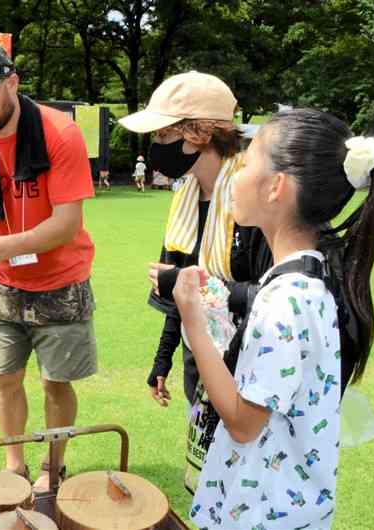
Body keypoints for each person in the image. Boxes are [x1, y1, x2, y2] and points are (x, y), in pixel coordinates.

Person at [174, 109, 374, 529]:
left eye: (247, 162)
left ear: (276, 186)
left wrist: (194, 323)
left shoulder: (287, 301)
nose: (235, 174)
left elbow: (243, 423)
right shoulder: (313, 277)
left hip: (260, 514)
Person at [0, 40, 98, 492]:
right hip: (2, 284)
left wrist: (1, 246)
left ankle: (52, 464)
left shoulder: (59, 133)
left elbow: (66, 224)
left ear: (12, 83)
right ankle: (14, 464)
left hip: (61, 280)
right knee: (5, 379)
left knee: (55, 383)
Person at [119, 71, 273, 492]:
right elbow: (179, 290)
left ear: (198, 133)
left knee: (246, 477)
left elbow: (276, 298)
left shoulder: (256, 201)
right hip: (199, 360)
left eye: (163, 134)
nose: (155, 147)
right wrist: (163, 358)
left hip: (252, 369)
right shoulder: (186, 197)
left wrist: (190, 286)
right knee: (207, 475)